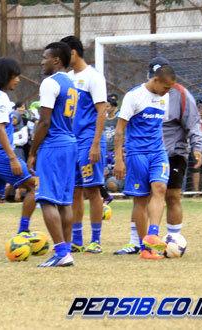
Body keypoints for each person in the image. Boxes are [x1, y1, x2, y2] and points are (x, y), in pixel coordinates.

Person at [113, 60, 176, 260]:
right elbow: (119, 131)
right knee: (140, 199)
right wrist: (119, 159)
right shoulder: (134, 96)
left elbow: (158, 127)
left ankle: (153, 238)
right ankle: (144, 247)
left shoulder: (163, 97)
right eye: (165, 87)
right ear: (155, 80)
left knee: (160, 189)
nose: (167, 92)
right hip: (137, 154)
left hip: (158, 152)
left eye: (170, 88)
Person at [27, 42, 77, 267]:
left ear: (56, 60)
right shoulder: (71, 83)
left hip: (54, 145)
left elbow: (44, 121)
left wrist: (32, 151)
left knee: (46, 198)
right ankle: (66, 251)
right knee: (64, 201)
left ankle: (61, 252)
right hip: (69, 143)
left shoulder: (50, 83)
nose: (41, 61)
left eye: (44, 57)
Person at [0, 58, 36, 237]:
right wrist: (12, 158)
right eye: (15, 76)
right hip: (0, 155)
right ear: (5, 76)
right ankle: (23, 231)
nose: (18, 80)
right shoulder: (1, 98)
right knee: (37, 187)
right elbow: (0, 128)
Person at [60, 36, 108, 254]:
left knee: (92, 190)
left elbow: (101, 111)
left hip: (89, 141)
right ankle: (76, 239)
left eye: (63, 53)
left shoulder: (94, 77)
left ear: (73, 53)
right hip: (71, 141)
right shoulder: (67, 79)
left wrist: (96, 144)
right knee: (74, 191)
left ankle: (95, 239)